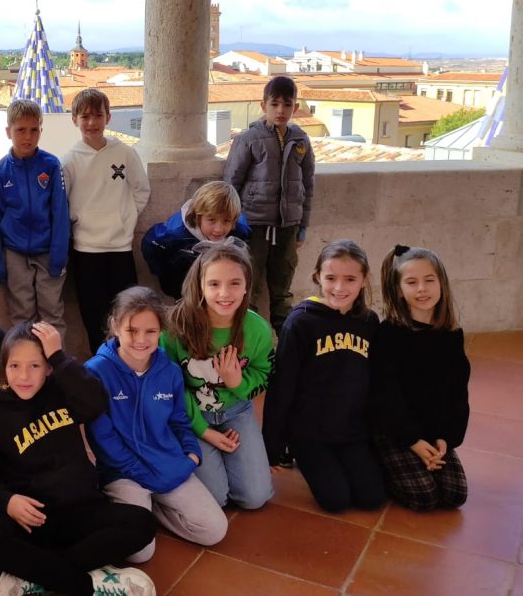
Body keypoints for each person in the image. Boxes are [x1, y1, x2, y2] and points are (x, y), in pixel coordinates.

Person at [0, 321, 157, 596]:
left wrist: (59, 356)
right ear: (3, 368)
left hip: (84, 511)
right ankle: (83, 582)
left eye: (35, 365)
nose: (24, 376)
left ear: (48, 369)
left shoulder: (61, 394)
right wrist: (7, 501)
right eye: (14, 366)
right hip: (35, 520)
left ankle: (40, 576)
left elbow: (96, 401)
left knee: (144, 522)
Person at [86, 286, 228, 559]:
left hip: (166, 463)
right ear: (115, 326)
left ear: (161, 331)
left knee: (214, 530)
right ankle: (135, 504)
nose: (141, 339)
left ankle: (155, 508)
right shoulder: (95, 372)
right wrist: (141, 473)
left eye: (150, 331)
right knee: (140, 554)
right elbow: (102, 438)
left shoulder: (170, 371)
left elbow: (178, 420)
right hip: (123, 472)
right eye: (131, 330)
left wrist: (192, 454)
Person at [262, 239, 387, 513]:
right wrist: (272, 444)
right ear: (318, 277)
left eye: (350, 279)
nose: (340, 288)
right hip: (309, 432)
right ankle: (301, 455)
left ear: (364, 280)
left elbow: (374, 382)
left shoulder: (369, 322)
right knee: (336, 500)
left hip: (350, 429)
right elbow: (282, 386)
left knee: (372, 498)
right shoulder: (301, 322)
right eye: (331, 278)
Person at [160, 243, 274, 510]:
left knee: (254, 498)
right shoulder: (176, 327)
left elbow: (264, 374)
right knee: (216, 499)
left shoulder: (257, 328)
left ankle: (228, 462)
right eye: (214, 284)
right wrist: (203, 430)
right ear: (200, 286)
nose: (224, 293)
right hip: (191, 415)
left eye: (235, 283)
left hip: (236, 410)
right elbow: (170, 386)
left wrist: (237, 383)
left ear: (247, 285)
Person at [372, 245, 470, 511]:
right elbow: (386, 397)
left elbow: (457, 394)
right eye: (411, 282)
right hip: (396, 431)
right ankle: (379, 464)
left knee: (454, 495)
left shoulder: (451, 335)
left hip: (433, 431)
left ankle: (425, 457)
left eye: (429, 280)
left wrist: (446, 439)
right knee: (424, 496)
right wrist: (413, 442)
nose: (422, 289)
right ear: (399, 290)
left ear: (442, 284)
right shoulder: (389, 335)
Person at [223, 75, 315, 332]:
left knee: (282, 290)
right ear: (264, 106)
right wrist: (232, 225)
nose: (281, 111)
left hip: (287, 227)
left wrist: (302, 226)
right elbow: (231, 183)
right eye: (275, 105)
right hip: (253, 226)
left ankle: (285, 345)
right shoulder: (249, 139)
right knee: (247, 288)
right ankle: (248, 345)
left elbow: (308, 185)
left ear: (295, 108)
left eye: (287, 105)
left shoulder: (301, 140)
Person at [61, 88, 150, 351]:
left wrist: (126, 219)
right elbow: (63, 202)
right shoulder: (70, 160)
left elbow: (141, 190)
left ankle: (128, 367)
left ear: (108, 117)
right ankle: (101, 371)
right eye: (85, 116)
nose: (92, 122)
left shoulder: (124, 153)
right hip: (86, 251)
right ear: (74, 120)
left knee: (128, 315)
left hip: (120, 249)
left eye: (98, 115)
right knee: (94, 317)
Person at [0, 99, 70, 338]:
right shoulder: (0, 171)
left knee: (52, 313)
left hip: (47, 250)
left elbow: (60, 212)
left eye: (34, 130)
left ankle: (55, 369)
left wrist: (59, 254)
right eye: (21, 130)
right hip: (15, 251)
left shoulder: (51, 165)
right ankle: (23, 367)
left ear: (41, 131)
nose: (28, 137)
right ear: (8, 132)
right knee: (21, 314)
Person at [141, 180, 251, 299]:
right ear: (197, 217)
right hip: (184, 289)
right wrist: (163, 275)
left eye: (226, 221)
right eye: (211, 220)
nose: (219, 229)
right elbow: (149, 243)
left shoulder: (240, 229)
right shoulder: (174, 234)